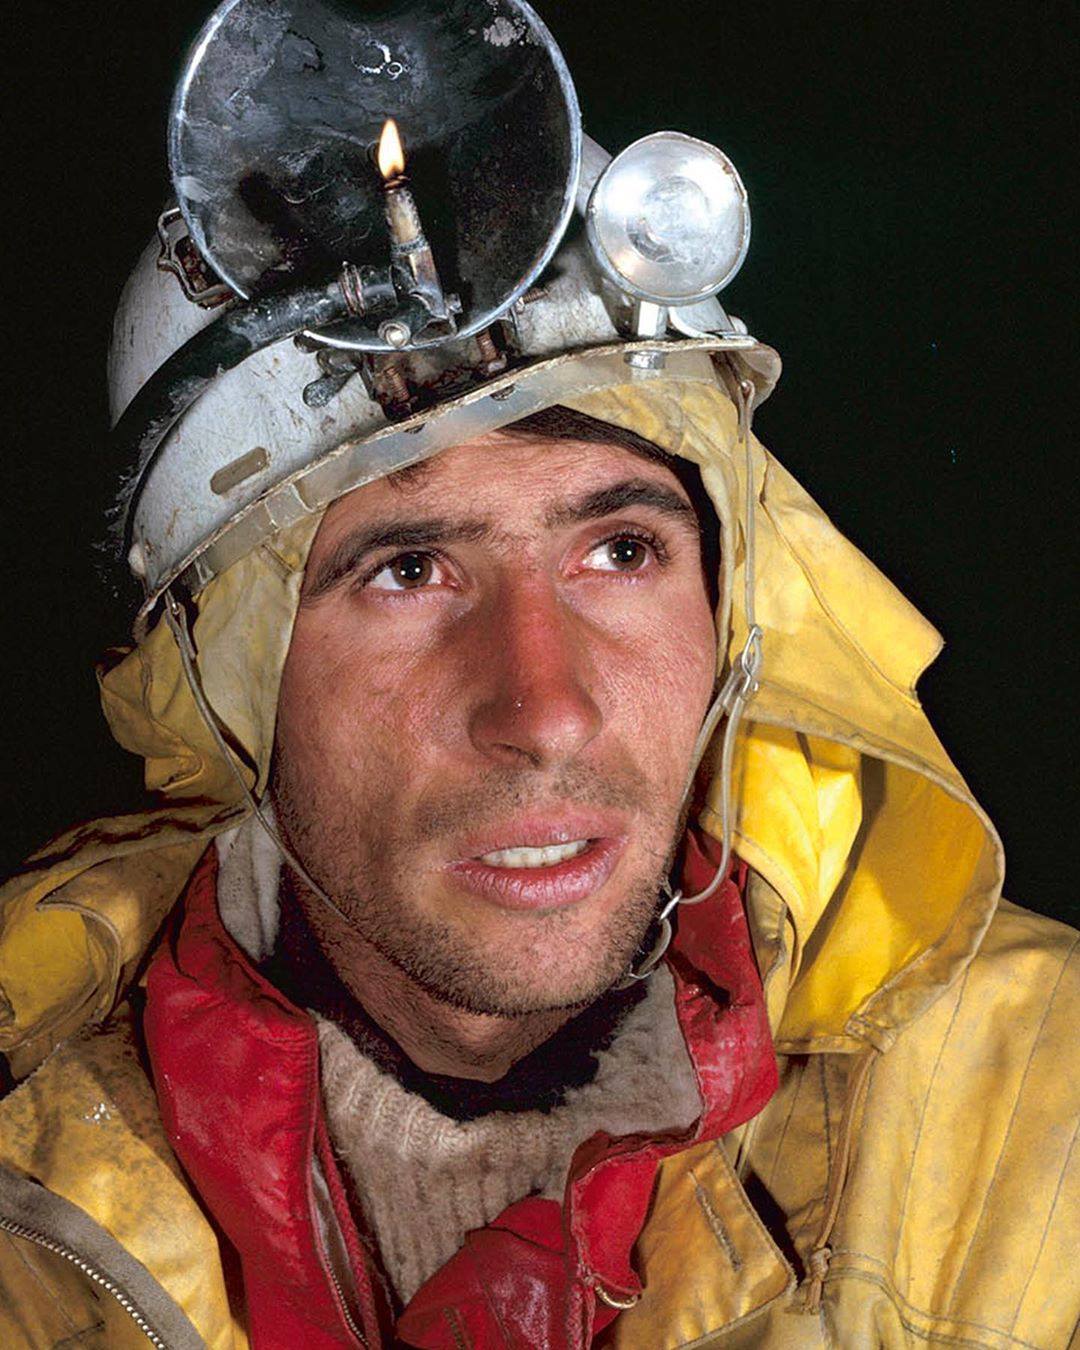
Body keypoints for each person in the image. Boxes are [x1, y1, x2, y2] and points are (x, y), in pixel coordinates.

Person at [0, 4, 1076, 1348]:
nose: (546, 709)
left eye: (620, 550)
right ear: (216, 687)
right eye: (407, 571)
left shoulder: (1039, 1120)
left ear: (736, 603)